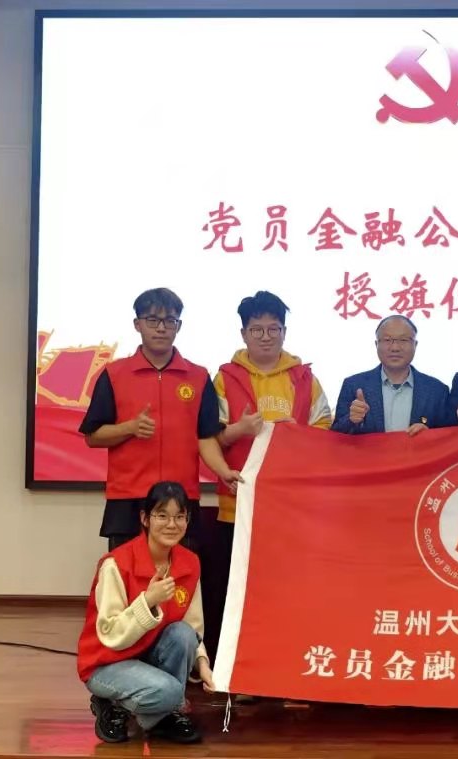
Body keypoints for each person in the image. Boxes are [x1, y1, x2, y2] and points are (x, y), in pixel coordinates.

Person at [203, 290, 332, 661]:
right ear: (243, 333)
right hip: (238, 505)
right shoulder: (224, 379)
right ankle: (228, 662)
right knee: (233, 588)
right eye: (256, 329)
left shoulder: (304, 378)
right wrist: (239, 430)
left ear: (284, 332)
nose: (265, 336)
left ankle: (283, 659)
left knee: (286, 587)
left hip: (289, 507)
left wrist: (298, 434)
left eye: (273, 329)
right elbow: (211, 437)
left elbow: (326, 431)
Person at [79, 288, 241, 550]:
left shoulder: (198, 377)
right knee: (126, 573)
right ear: (138, 324)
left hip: (181, 498)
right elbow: (92, 437)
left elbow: (205, 437)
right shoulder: (114, 374)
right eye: (153, 320)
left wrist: (224, 472)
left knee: (181, 573)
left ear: (179, 326)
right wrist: (130, 428)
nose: (162, 328)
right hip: (129, 497)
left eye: (170, 321)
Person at [77, 481, 214, 745]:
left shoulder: (189, 563)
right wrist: (148, 600)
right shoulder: (116, 564)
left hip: (146, 655)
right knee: (173, 693)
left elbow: (192, 626)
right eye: (162, 515)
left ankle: (158, 712)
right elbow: (110, 635)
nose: (172, 524)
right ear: (145, 519)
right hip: (107, 663)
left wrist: (203, 664)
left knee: (183, 634)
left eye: (179, 517)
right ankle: (111, 702)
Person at [331, 315, 450, 435]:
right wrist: (351, 420)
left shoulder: (437, 390)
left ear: (415, 345)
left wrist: (430, 436)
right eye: (387, 340)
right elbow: (335, 435)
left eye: (403, 340)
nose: (395, 348)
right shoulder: (353, 385)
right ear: (376, 344)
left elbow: (448, 437)